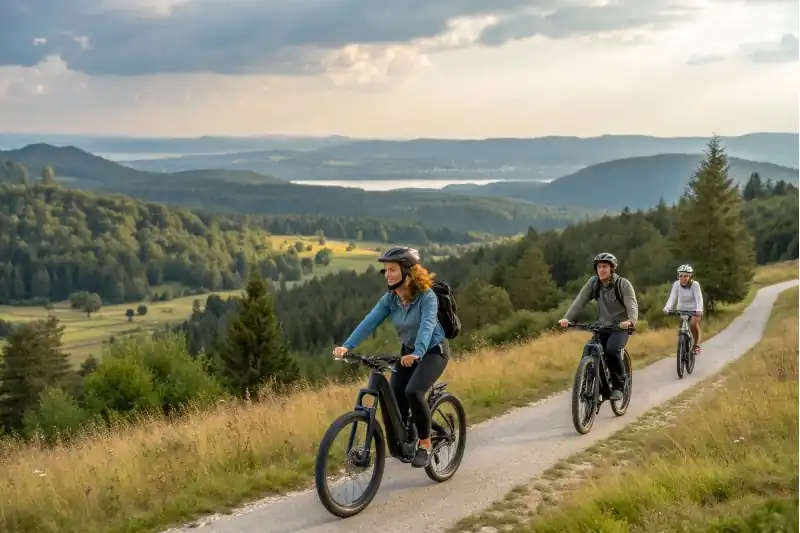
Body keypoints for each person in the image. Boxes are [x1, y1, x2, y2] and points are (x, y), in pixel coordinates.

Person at [332, 246, 448, 468]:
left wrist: (418, 352)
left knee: (413, 392)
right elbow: (370, 321)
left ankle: (425, 443)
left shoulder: (427, 297)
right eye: (385, 270)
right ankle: (408, 437)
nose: (387, 275)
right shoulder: (391, 299)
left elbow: (427, 325)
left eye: (392, 269)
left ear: (408, 272)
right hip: (409, 352)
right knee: (396, 400)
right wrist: (347, 346)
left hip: (433, 350)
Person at [557, 252, 638, 401]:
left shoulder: (623, 284)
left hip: (620, 327)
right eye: (599, 267)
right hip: (603, 326)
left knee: (612, 351)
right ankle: (589, 383)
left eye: (605, 267)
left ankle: (619, 386)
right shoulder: (594, 283)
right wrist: (567, 318)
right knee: (590, 349)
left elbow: (631, 305)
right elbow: (579, 301)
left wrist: (631, 321)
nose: (601, 270)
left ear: (612, 269)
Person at [663, 264, 704, 354]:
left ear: (690, 276)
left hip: (694, 310)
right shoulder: (677, 284)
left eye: (685, 276)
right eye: (680, 275)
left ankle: (696, 345)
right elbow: (672, 297)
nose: (682, 278)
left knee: (693, 325)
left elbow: (699, 299)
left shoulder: (695, 285)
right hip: (682, 310)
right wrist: (667, 308)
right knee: (682, 330)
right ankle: (683, 343)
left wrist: (699, 309)